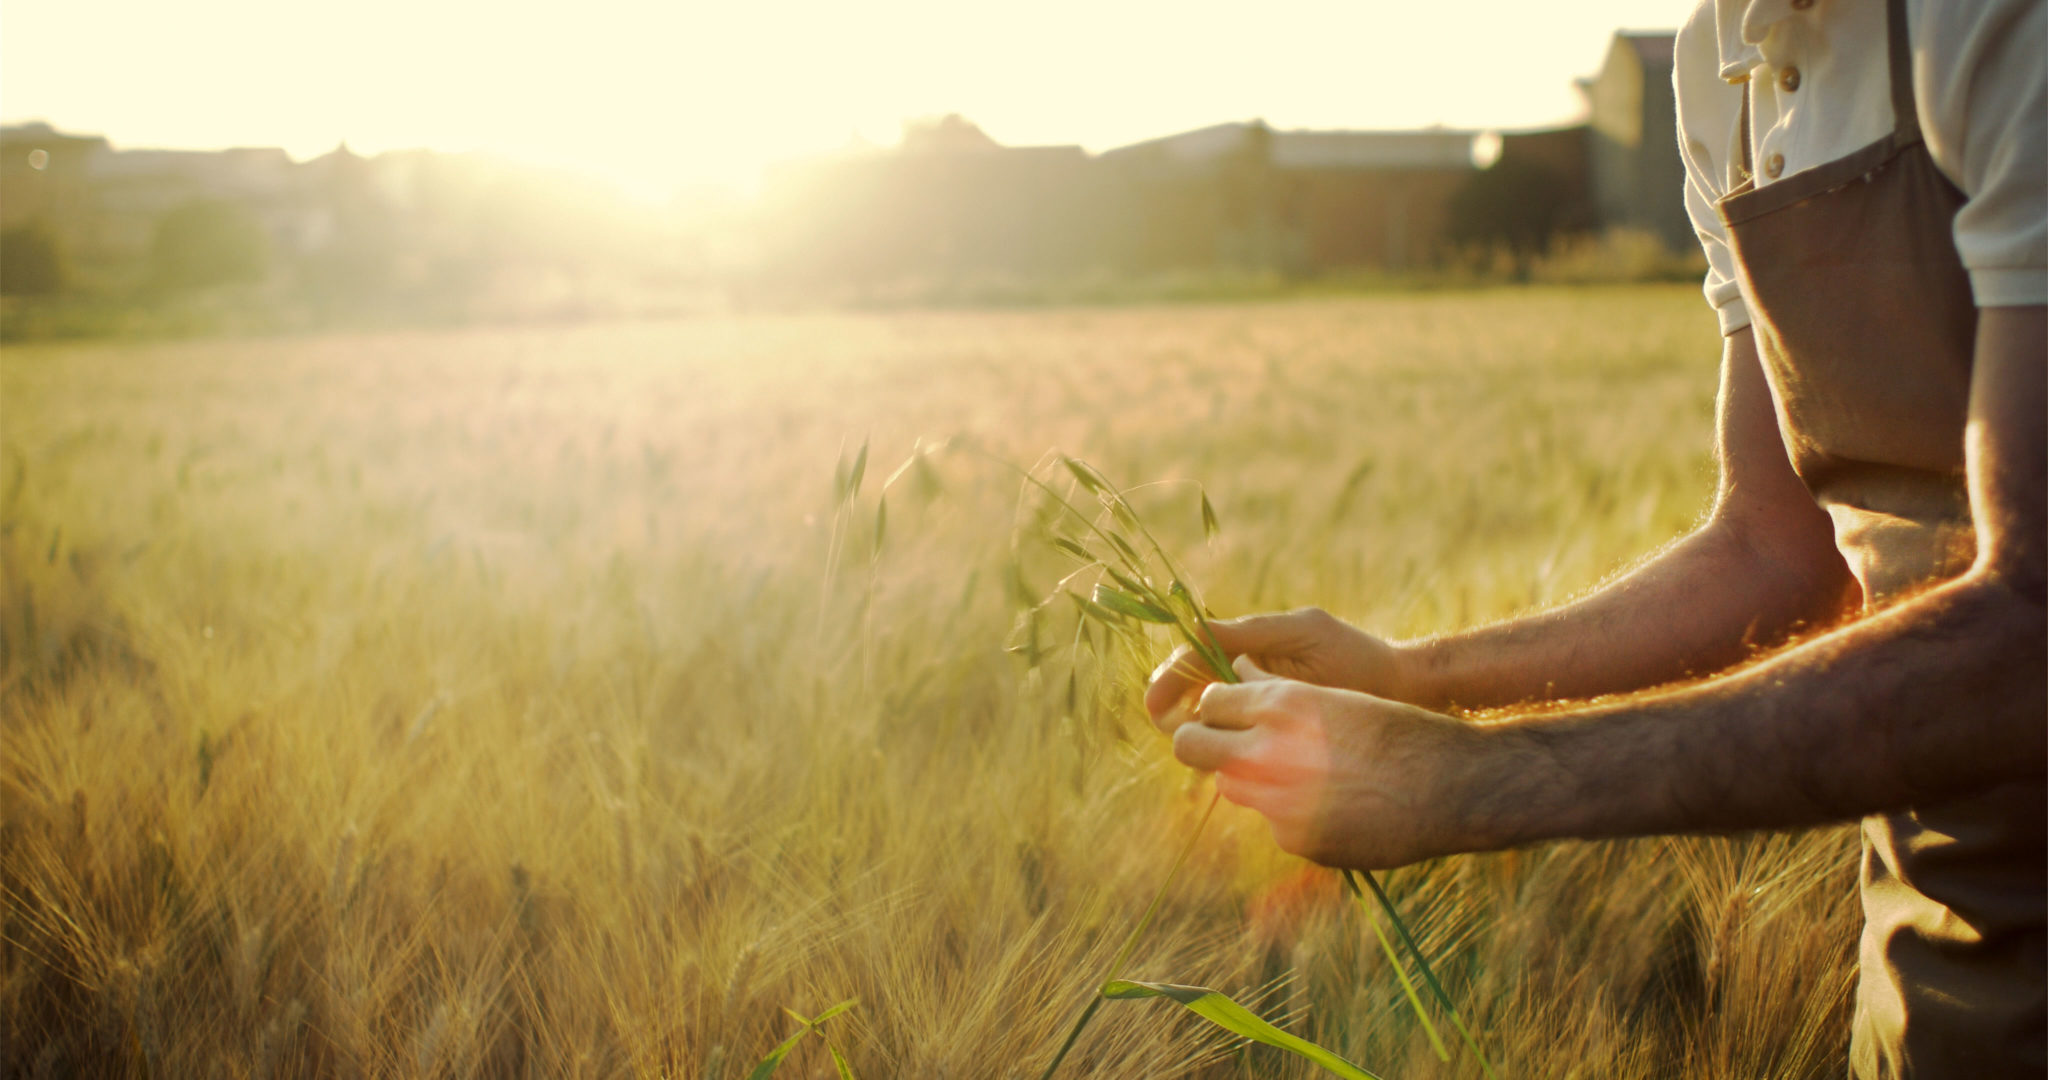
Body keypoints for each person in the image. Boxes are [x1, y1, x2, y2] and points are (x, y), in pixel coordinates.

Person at [1143, 0, 2045, 1074]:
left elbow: (2028, 635)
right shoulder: (1716, 60)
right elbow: (1773, 549)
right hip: (1921, 966)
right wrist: (1414, 680)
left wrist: (1468, 783)